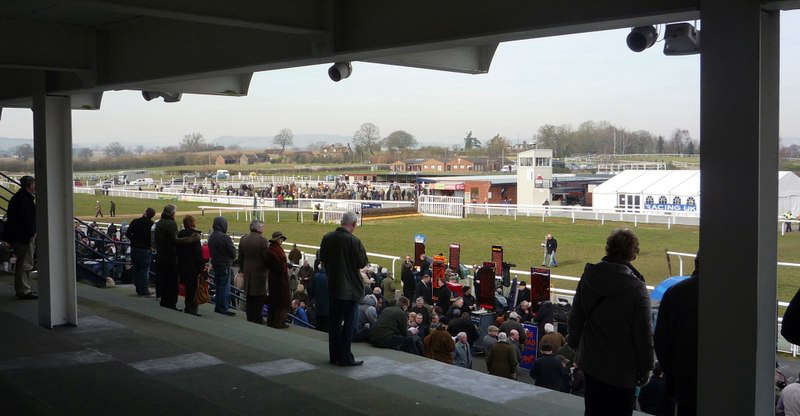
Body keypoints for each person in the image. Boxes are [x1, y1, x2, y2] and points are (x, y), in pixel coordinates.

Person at [568, 229, 653, 416]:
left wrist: (575, 345)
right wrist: (646, 366)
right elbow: (643, 332)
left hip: (592, 363)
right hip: (623, 370)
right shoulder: (636, 287)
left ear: (608, 248)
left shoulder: (589, 276)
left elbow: (576, 317)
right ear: (633, 253)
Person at [319, 212, 369, 367]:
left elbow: (323, 259)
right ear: (353, 224)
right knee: (348, 325)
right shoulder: (354, 241)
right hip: (350, 290)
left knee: (333, 324)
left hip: (333, 287)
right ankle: (346, 357)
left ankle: (334, 356)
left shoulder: (327, 237)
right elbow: (361, 262)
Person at [654, 254, 699, 416]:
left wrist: (671, 373)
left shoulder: (674, 292)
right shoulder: (727, 294)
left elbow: (660, 340)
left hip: (682, 380)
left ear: (696, 262)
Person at [154, 204, 199, 311]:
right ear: (172, 213)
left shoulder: (159, 222)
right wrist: (191, 239)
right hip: (170, 257)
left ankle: (164, 302)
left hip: (160, 256)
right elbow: (175, 241)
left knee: (164, 281)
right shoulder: (171, 223)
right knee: (172, 283)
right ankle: (171, 304)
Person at [4, 176, 37, 300]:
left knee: (22, 263)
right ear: (30, 185)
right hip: (24, 237)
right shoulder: (25, 200)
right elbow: (26, 220)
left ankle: (23, 289)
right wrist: (31, 234)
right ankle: (24, 290)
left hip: (18, 236)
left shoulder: (18, 198)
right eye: (34, 184)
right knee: (24, 264)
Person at [238, 220, 270, 324]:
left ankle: (250, 316)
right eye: (263, 227)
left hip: (247, 272)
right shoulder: (263, 241)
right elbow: (267, 258)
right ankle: (257, 318)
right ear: (259, 228)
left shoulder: (243, 239)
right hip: (259, 274)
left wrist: (242, 270)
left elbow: (240, 258)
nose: (264, 229)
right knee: (259, 297)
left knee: (249, 296)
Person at [176, 215, 204, 316]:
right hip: (192, 266)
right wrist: (201, 268)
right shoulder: (194, 236)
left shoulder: (180, 234)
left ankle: (188, 307)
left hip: (182, 264)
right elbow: (198, 254)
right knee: (192, 289)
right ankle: (191, 308)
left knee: (187, 287)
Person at [208, 216, 236, 316]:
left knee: (219, 286)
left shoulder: (211, 236)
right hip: (224, 264)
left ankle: (218, 306)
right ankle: (223, 307)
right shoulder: (224, 237)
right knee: (224, 287)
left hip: (216, 264)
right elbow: (233, 253)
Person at [126, 208, 156, 296]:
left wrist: (133, 240)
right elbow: (153, 239)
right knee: (144, 271)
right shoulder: (152, 225)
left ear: (145, 213)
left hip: (134, 248)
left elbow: (128, 233)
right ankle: (144, 290)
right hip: (145, 249)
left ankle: (139, 289)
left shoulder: (135, 221)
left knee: (136, 269)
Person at [266, 231, 290, 328]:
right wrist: (285, 266)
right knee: (281, 301)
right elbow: (279, 266)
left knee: (274, 300)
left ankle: (272, 321)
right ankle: (279, 322)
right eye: (281, 239)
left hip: (274, 278)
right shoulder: (275, 250)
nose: (282, 241)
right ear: (277, 239)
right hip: (279, 279)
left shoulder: (272, 249)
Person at [309, 264, 330, 333]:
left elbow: (311, 291)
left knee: (318, 326)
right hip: (328, 307)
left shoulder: (316, 276)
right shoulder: (331, 277)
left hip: (318, 305)